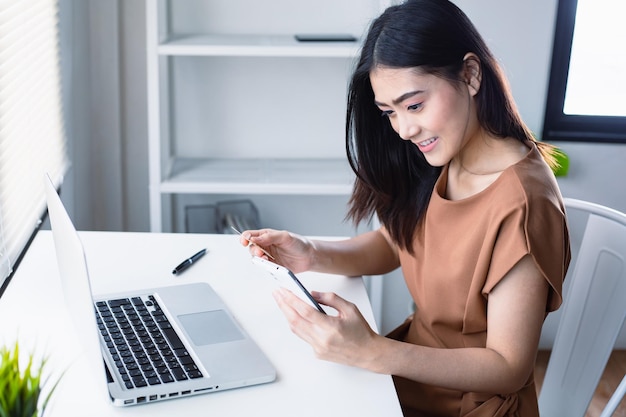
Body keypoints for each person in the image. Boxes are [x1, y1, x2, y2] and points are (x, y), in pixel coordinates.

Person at [239, 1, 571, 416]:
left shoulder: (523, 204)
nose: (403, 129)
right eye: (389, 113)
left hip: (468, 405)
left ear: (470, 74)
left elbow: (507, 367)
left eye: (414, 105)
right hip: (406, 382)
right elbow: (398, 242)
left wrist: (374, 351)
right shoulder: (448, 155)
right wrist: (312, 253)